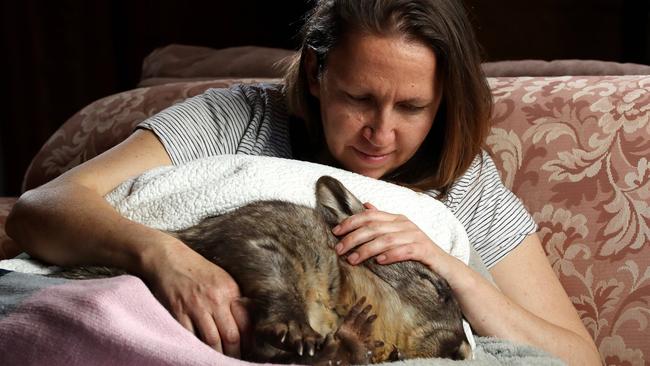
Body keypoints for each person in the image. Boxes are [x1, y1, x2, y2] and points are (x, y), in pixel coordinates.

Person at [6, 0, 600, 364]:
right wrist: (163, 255)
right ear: (317, 74)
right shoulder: (231, 118)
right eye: (359, 98)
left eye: (413, 108)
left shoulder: (463, 180)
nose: (381, 133)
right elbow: (42, 207)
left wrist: (445, 267)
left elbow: (577, 358)